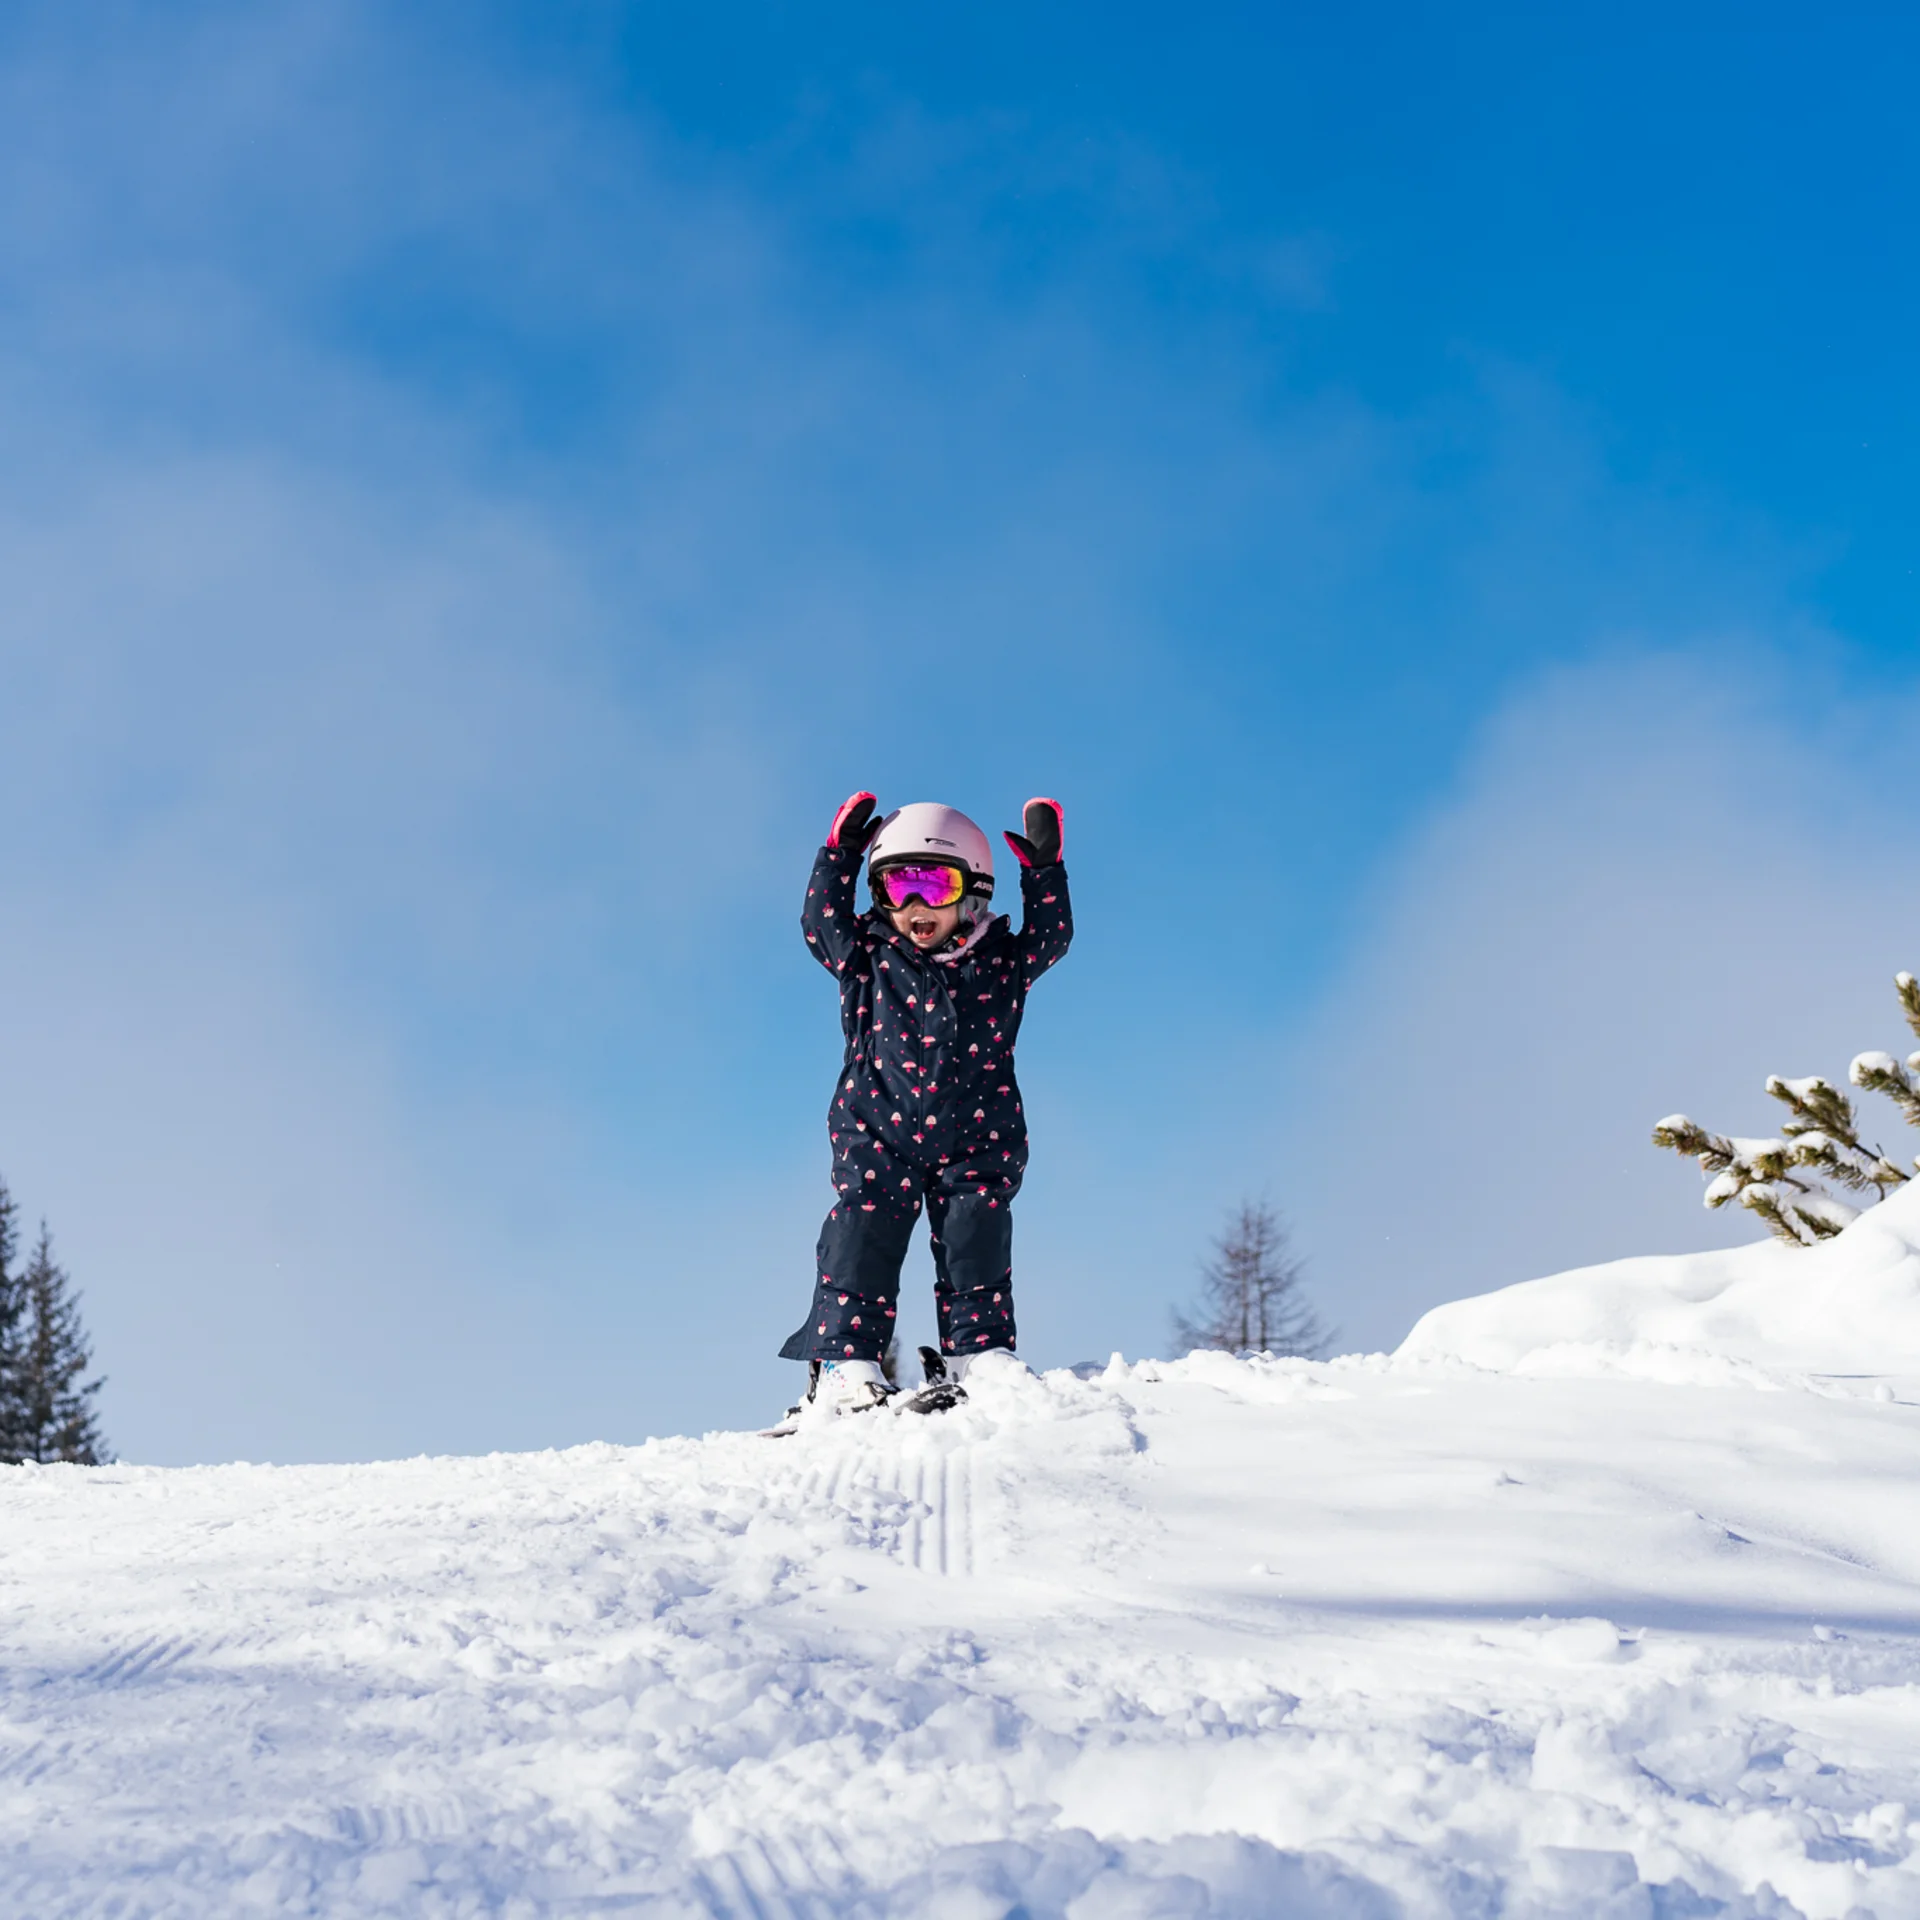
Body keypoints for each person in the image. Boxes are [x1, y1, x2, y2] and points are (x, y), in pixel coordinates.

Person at [774, 793, 1073, 1427]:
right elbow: (819, 923)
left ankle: (979, 1355)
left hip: (977, 1136)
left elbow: (1053, 938)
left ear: (975, 892)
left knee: (977, 1242)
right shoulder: (867, 959)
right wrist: (840, 856)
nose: (915, 907)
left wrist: (1045, 874)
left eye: (934, 886)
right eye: (898, 887)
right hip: (877, 1130)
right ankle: (844, 1365)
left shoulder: (1002, 961)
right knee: (861, 1239)